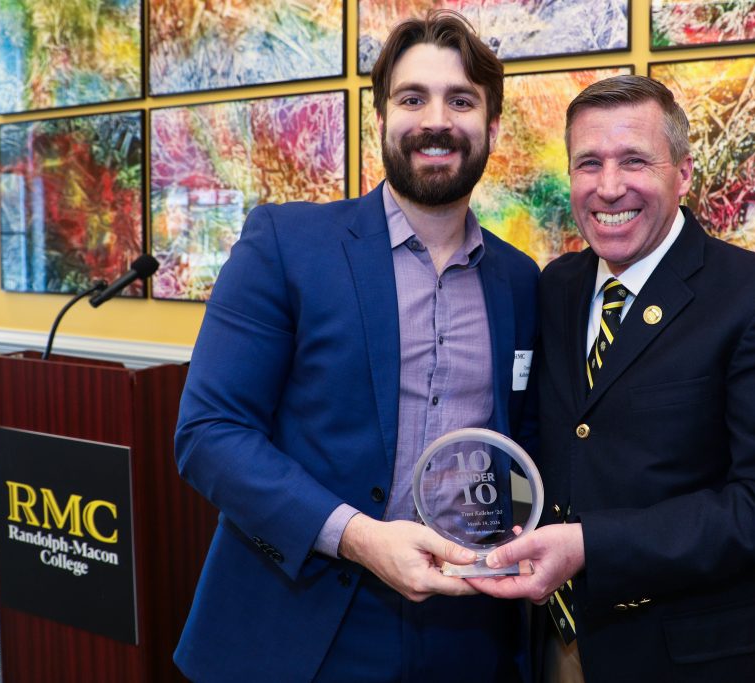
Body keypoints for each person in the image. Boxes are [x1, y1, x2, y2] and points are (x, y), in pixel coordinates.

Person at [172, 10, 538, 682]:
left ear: (491, 127)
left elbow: (521, 446)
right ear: (380, 122)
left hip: (466, 632)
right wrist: (361, 539)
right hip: (299, 619)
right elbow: (208, 433)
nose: (436, 120)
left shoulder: (520, 280)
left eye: (461, 100)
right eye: (411, 98)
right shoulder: (285, 244)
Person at [469, 75, 755, 682]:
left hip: (697, 659)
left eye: (634, 161)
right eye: (588, 163)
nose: (608, 186)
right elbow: (552, 441)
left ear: (684, 173)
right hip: (555, 648)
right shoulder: (558, 286)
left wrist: (591, 544)